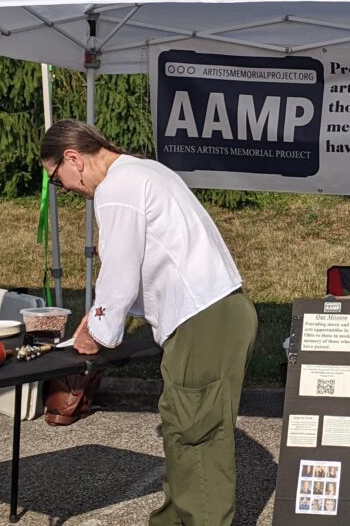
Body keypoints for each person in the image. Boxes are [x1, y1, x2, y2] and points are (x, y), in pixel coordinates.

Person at [40, 120, 257, 526]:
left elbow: (119, 272)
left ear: (73, 159)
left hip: (203, 318)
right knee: (182, 427)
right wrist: (103, 314)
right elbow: (152, 260)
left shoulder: (116, 190)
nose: (64, 188)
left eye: (56, 179)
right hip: (215, 313)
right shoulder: (146, 170)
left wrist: (95, 336)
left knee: (197, 436)